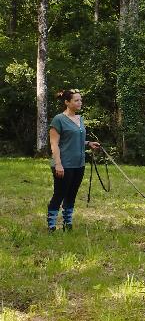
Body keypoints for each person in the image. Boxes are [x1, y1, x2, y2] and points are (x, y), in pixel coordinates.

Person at [47, 89, 100, 232]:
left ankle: (67, 223)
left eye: (80, 100)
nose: (80, 102)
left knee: (72, 194)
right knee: (60, 194)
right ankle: (51, 224)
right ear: (67, 102)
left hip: (79, 164)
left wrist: (88, 143)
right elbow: (54, 144)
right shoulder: (58, 119)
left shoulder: (80, 119)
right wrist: (58, 164)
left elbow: (74, 139)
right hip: (64, 164)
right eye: (76, 100)